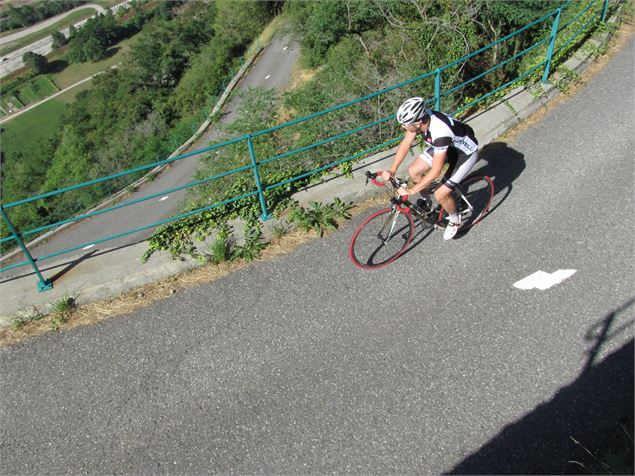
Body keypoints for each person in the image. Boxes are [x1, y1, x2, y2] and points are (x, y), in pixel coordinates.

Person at [382, 97, 479, 240]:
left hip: (465, 155)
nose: (403, 128)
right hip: (447, 147)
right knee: (413, 170)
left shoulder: (439, 131)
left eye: (405, 125)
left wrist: (411, 190)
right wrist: (392, 169)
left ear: (418, 122)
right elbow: (406, 143)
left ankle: (455, 218)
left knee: (440, 194)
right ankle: (426, 200)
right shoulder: (421, 118)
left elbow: (435, 172)